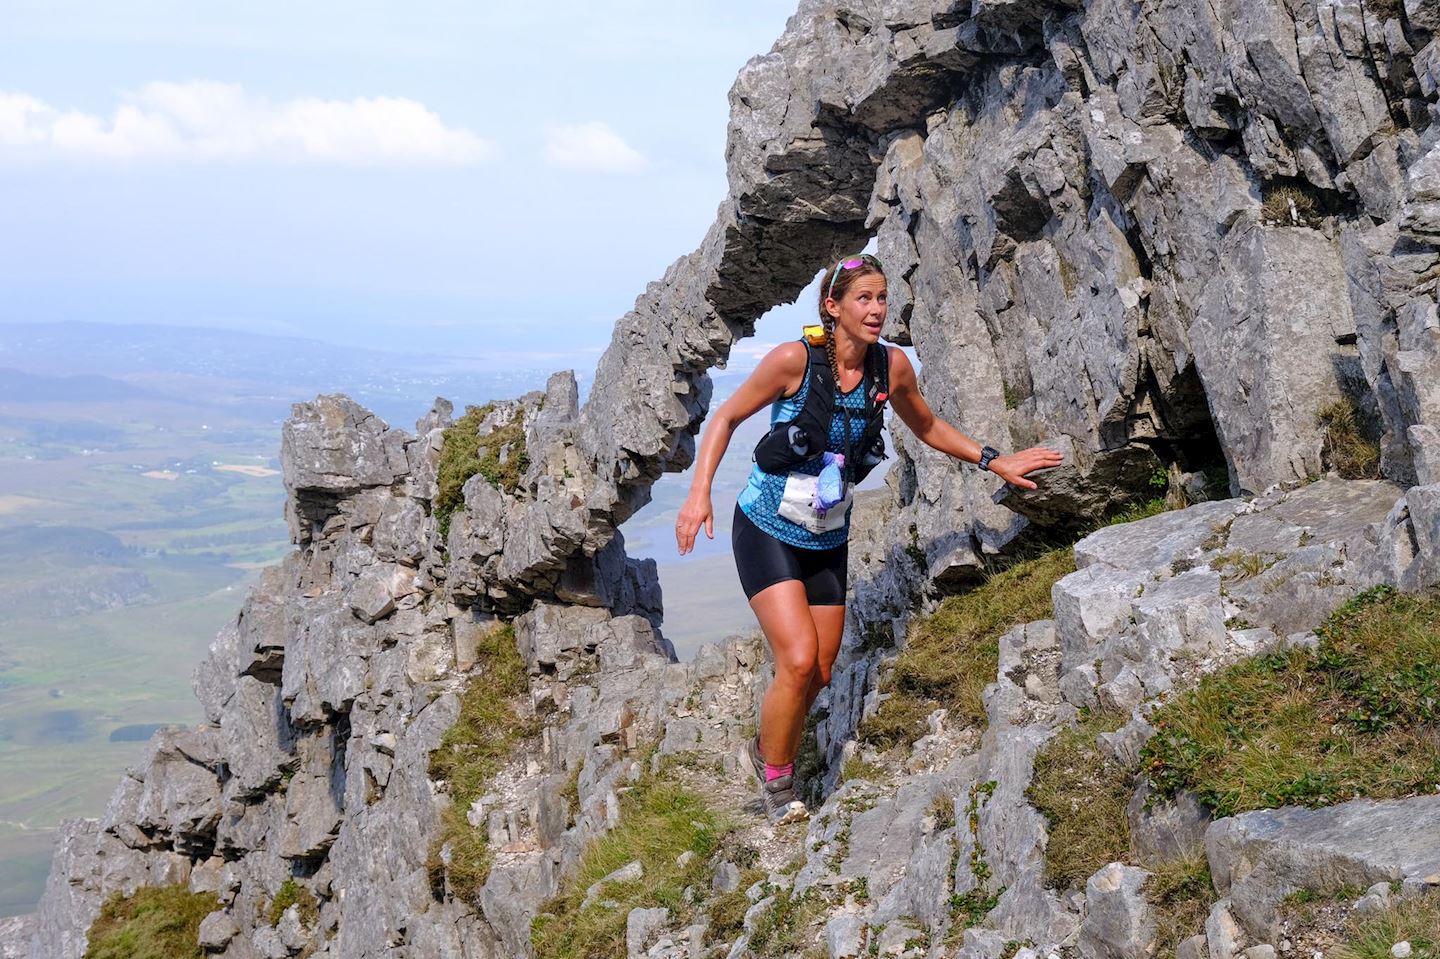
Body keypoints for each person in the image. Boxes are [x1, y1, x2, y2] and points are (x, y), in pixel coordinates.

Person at [674, 253, 1063, 826]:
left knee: (823, 670)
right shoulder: (793, 361)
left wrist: (994, 460)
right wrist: (698, 493)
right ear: (833, 308)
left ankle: (766, 745)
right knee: (800, 658)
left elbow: (927, 426)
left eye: (882, 298)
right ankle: (777, 783)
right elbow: (726, 417)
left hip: (827, 533)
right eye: (864, 299)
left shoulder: (891, 368)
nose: (877, 309)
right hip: (764, 526)